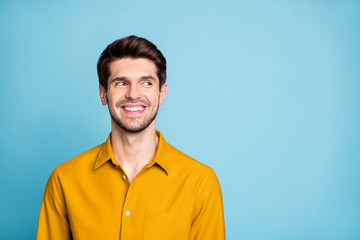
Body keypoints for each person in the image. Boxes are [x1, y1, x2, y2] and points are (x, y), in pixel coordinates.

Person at [36, 35, 226, 240]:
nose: (133, 94)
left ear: (162, 93)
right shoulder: (64, 180)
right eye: (121, 83)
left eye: (146, 82)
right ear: (103, 94)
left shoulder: (200, 182)